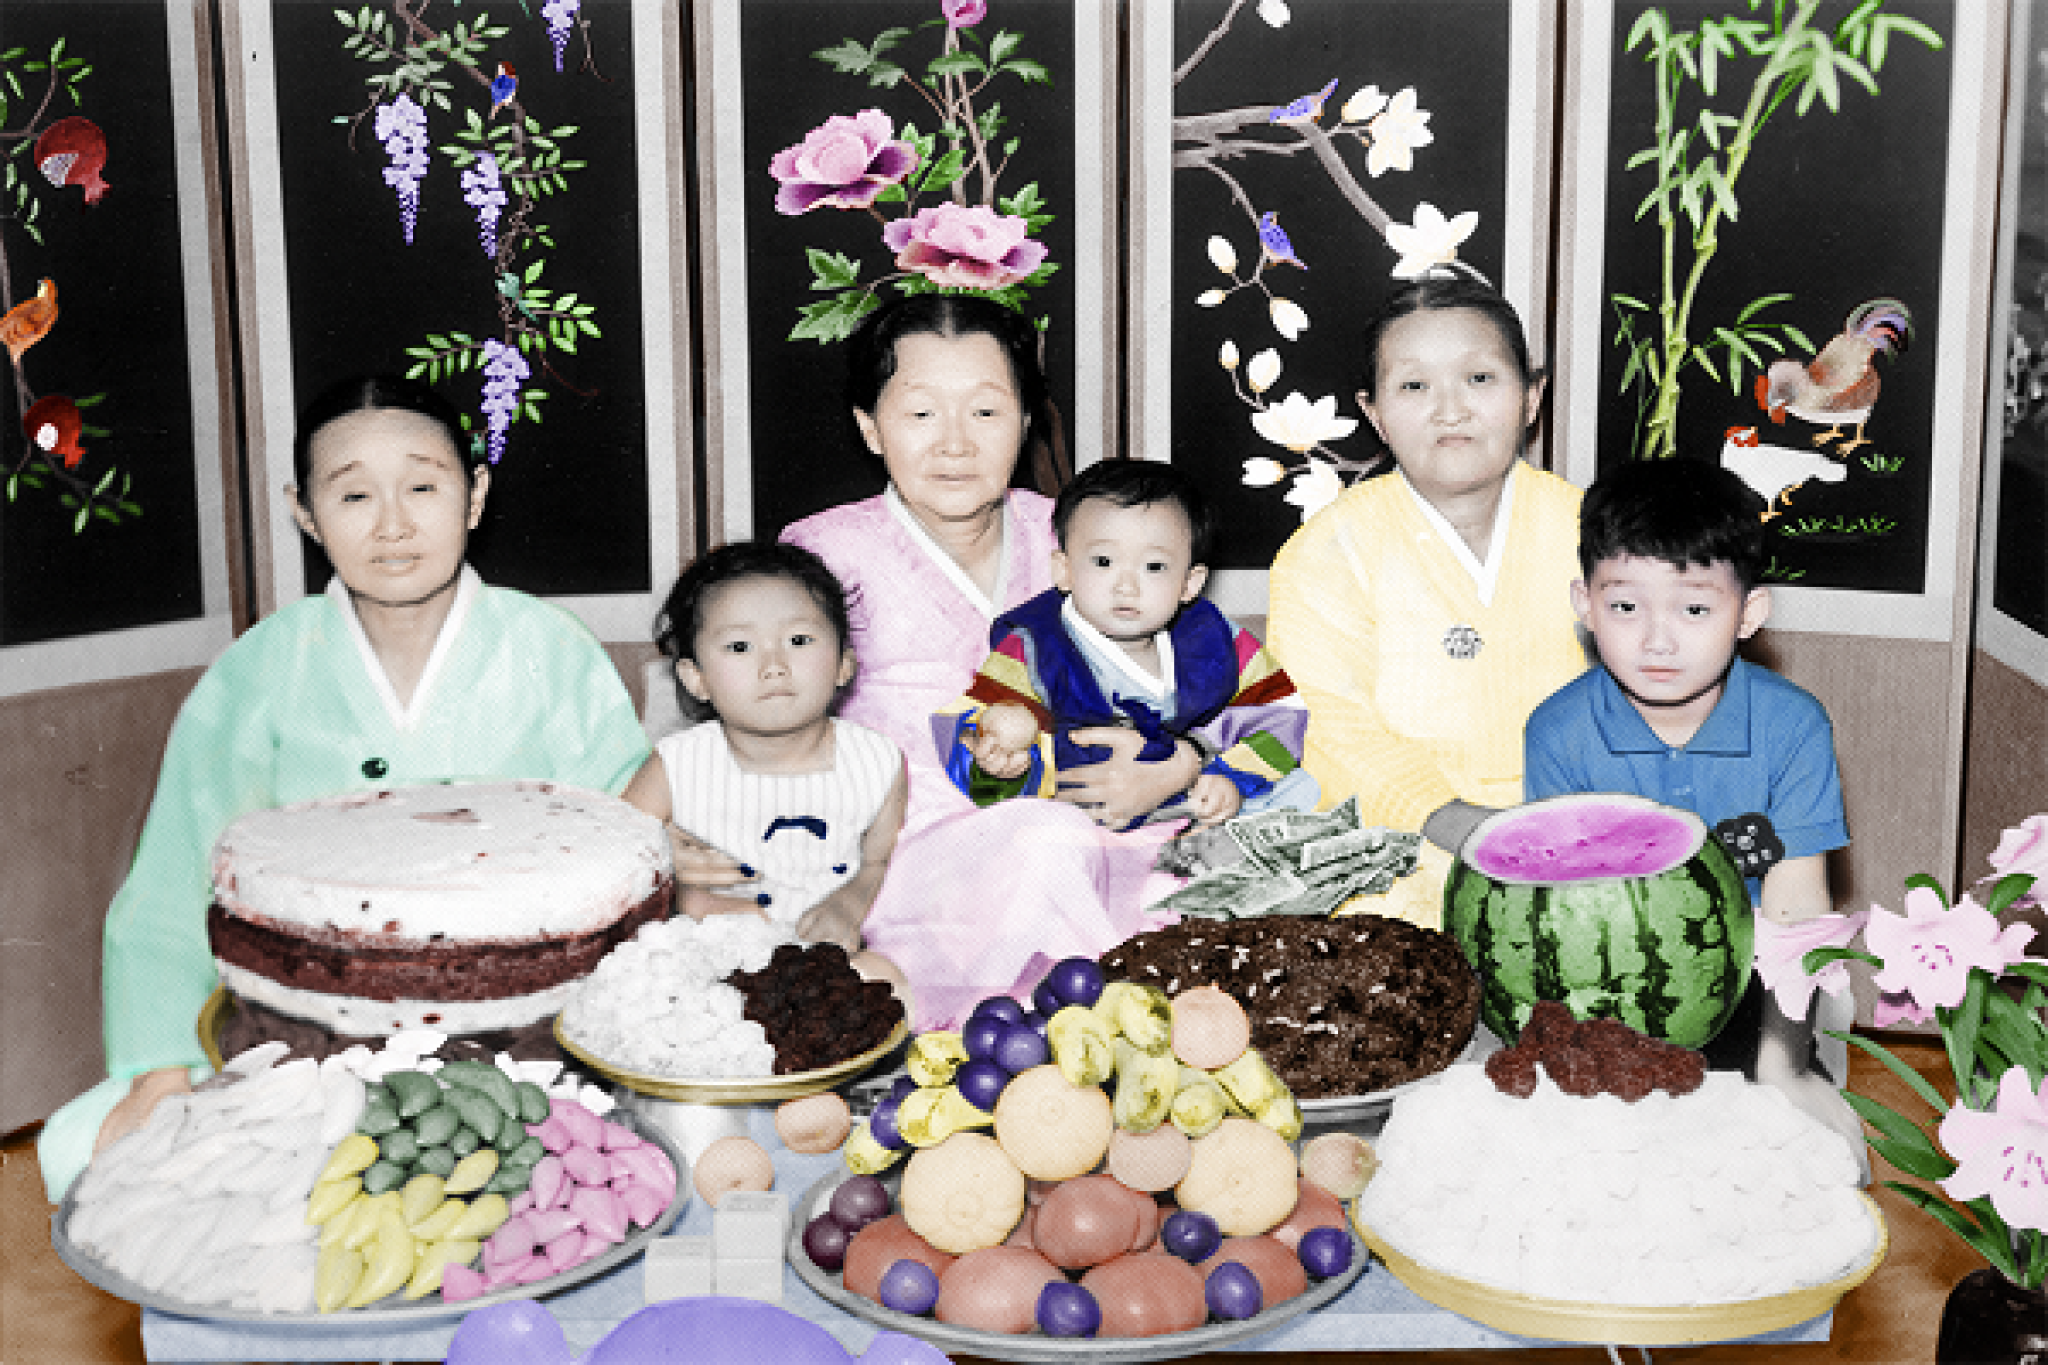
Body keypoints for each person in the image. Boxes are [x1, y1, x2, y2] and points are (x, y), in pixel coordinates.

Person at [38, 375, 650, 1201]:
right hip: (303, 1031)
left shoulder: (549, 649)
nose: (393, 523)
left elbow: (626, 840)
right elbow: (175, 876)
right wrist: (157, 1064)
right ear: (304, 512)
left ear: (475, 497)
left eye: (424, 486)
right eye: (355, 492)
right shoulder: (261, 670)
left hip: (527, 1029)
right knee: (104, 1151)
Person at [780, 294, 1196, 1029]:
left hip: (1105, 819)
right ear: (869, 427)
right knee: (1047, 843)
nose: (954, 444)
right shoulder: (821, 553)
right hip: (907, 864)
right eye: (920, 414)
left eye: (985, 411)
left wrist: (1178, 763)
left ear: (1026, 419)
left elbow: (1184, 678)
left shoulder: (1076, 534)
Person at [1522, 457, 1859, 1149]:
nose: (1657, 639)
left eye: (1695, 608)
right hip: (1614, 986)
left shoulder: (1793, 725)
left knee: (1795, 1158)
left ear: (1749, 613)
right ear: (1584, 605)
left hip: (1766, 989)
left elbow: (1797, 912)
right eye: (1624, 606)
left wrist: (1782, 1068)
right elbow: (1571, 922)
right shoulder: (1556, 730)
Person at [1266, 276, 1588, 926]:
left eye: (1479, 379)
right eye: (1414, 386)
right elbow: (1327, 727)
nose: (1450, 409)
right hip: (1402, 846)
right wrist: (1456, 821)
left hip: (1576, 833)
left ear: (1532, 396)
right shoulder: (1326, 551)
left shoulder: (1599, 532)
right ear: (1375, 411)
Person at [942, 458, 1318, 829]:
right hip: (1086, 814)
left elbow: (1284, 714)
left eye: (1154, 567)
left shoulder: (1217, 641)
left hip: (1194, 803)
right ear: (1064, 570)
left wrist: (1230, 779)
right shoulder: (1034, 647)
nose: (1127, 585)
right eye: (1103, 561)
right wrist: (1001, 759)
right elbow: (966, 726)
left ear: (1190, 582)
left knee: (1304, 792)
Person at [620, 541, 909, 994]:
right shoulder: (677, 765)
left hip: (822, 963)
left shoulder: (876, 762)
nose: (774, 666)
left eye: (799, 641)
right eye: (740, 646)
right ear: (695, 678)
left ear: (843, 664)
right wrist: (682, 896)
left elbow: (876, 861)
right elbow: (617, 857)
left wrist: (848, 906)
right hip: (704, 965)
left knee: (885, 983)